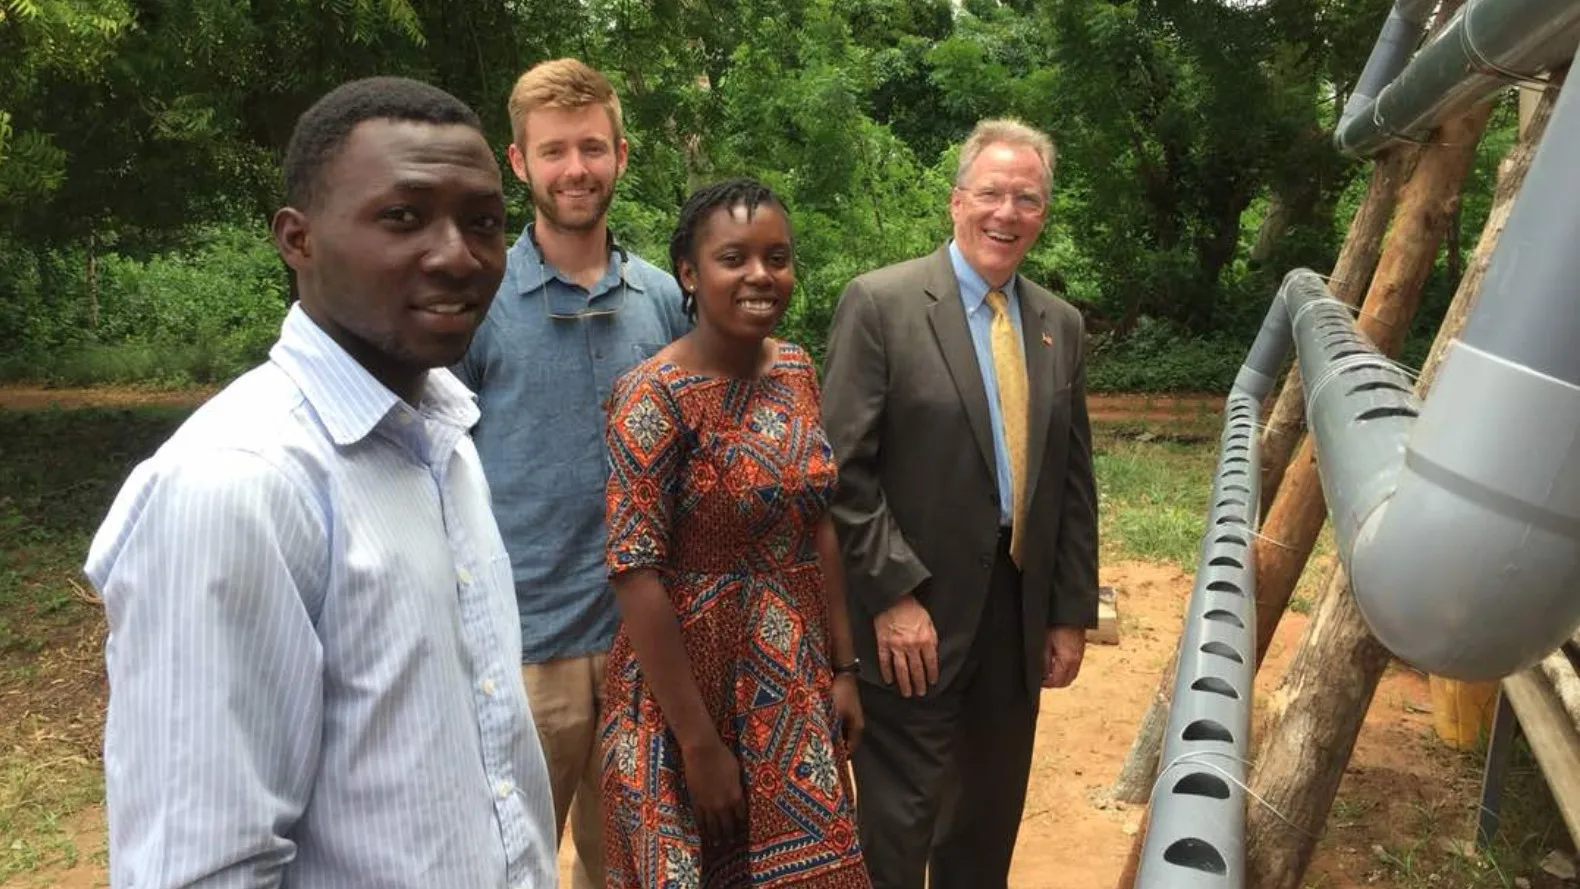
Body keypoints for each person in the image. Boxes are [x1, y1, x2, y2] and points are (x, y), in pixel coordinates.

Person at [83, 77, 557, 888]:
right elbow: (202, 867)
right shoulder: (239, 484)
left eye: (482, 221)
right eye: (403, 217)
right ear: (297, 240)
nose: (457, 253)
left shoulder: (445, 440)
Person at [820, 118, 1100, 889]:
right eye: (991, 194)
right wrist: (893, 594)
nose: (1006, 213)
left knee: (986, 827)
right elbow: (843, 468)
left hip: (1015, 621)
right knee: (897, 830)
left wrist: (1069, 611)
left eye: (1027, 198)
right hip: (913, 622)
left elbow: (1073, 482)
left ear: (1043, 213)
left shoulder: (1060, 327)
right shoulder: (881, 304)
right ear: (955, 201)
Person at [453, 58, 686, 889]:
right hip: (523, 644)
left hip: (646, 645)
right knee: (505, 862)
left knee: (625, 865)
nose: (575, 168)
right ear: (518, 164)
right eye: (553, 151)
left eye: (592, 147)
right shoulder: (474, 303)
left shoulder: (662, 299)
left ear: (622, 154)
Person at [600, 179, 871, 888]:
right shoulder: (651, 396)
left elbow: (820, 524)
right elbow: (635, 570)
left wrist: (843, 669)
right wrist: (697, 742)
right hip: (685, 694)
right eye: (734, 258)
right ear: (690, 272)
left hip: (791, 684)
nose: (760, 275)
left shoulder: (796, 371)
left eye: (777, 257)